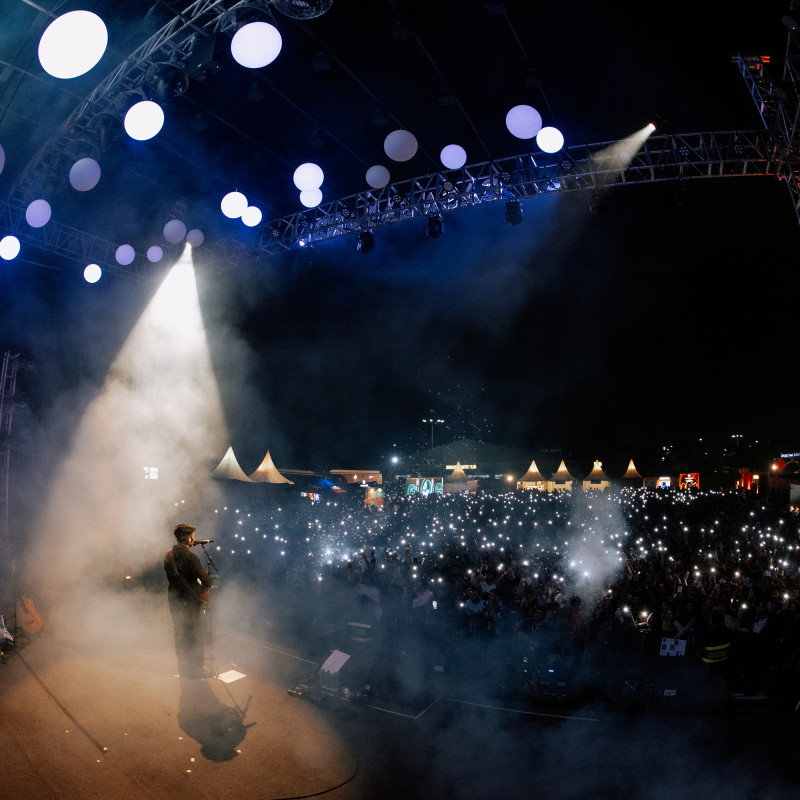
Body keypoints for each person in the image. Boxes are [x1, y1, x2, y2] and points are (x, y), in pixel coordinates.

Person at [164, 523, 212, 678]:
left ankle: (183, 668)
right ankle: (196, 670)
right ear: (189, 538)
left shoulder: (168, 555)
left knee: (180, 634)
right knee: (194, 636)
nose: (194, 539)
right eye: (193, 536)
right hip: (190, 602)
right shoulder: (191, 557)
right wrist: (199, 586)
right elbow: (207, 582)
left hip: (174, 600)